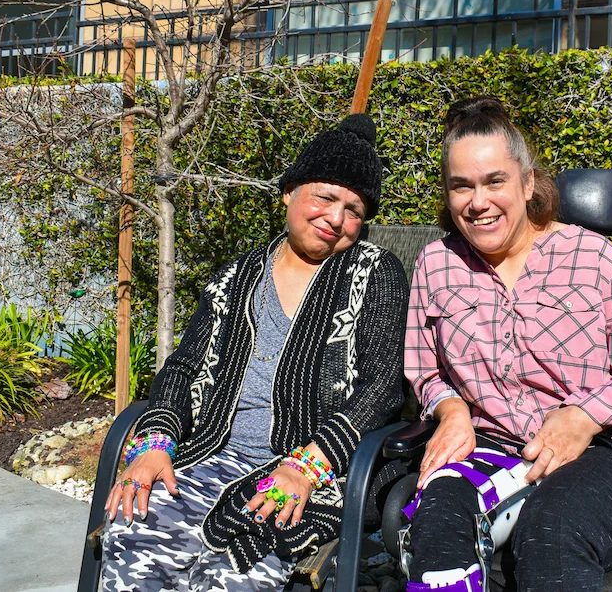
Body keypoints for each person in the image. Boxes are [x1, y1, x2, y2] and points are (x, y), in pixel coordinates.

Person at [102, 114, 410, 592]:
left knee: (233, 576)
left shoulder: (376, 273)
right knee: (133, 530)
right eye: (325, 197)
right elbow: (183, 367)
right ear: (289, 192)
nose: (336, 218)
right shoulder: (236, 276)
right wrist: (155, 442)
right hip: (208, 455)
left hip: (310, 474)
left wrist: (310, 464)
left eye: (354, 210)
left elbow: (384, 383)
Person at [402, 97, 612, 592]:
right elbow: (426, 371)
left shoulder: (597, 259)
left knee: (553, 521)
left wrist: (583, 417)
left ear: (528, 182)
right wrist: (450, 410)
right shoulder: (437, 265)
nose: (478, 202)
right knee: (437, 516)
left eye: (495, 181)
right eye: (462, 186)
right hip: (500, 454)